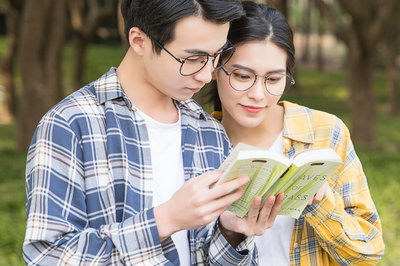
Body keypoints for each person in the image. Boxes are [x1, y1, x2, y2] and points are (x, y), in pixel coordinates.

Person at [23, 0, 284, 265]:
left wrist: (230, 232)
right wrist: (166, 219)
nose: (207, 75)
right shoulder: (72, 124)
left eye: (216, 56)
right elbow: (47, 255)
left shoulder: (209, 131)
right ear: (139, 41)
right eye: (193, 59)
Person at [209, 1, 385, 265]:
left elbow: (368, 253)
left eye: (273, 79)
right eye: (242, 76)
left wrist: (321, 202)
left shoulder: (326, 133)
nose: (258, 95)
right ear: (214, 67)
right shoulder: (195, 139)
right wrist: (230, 232)